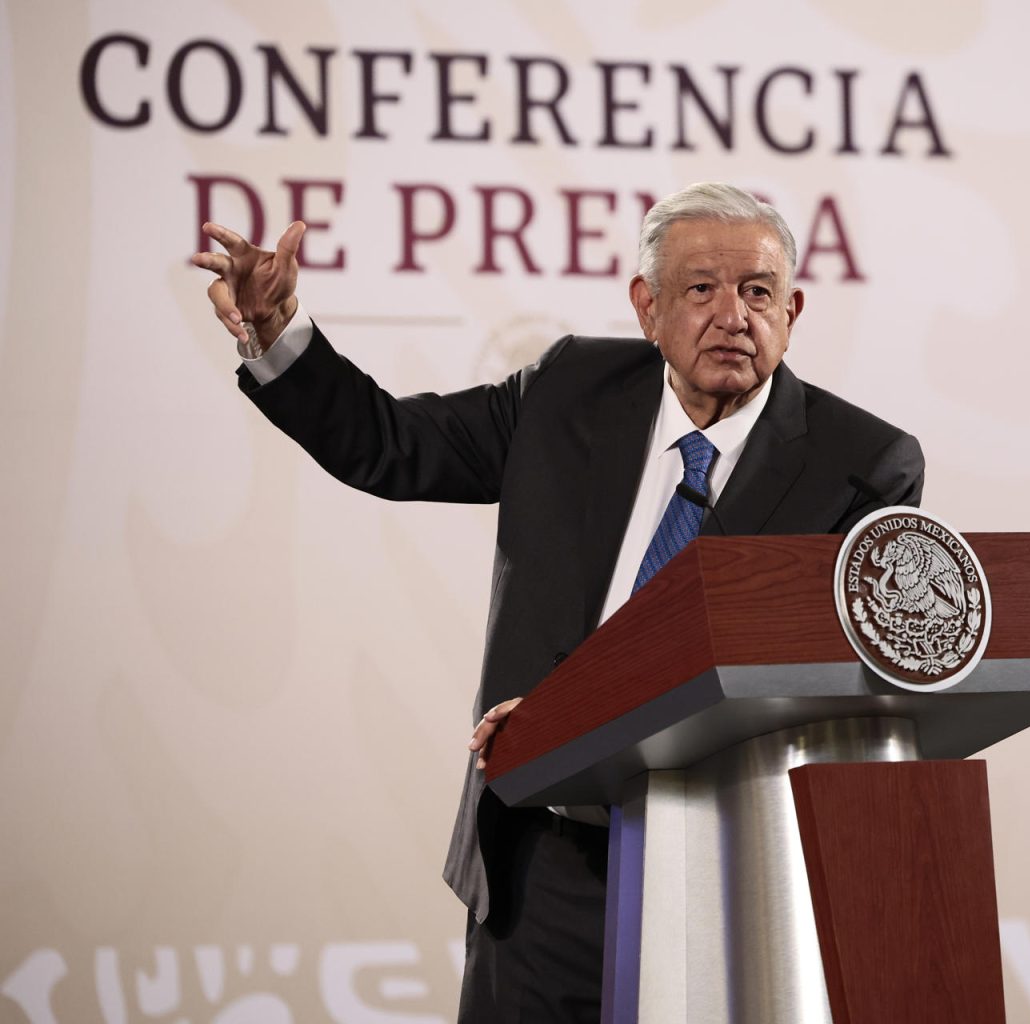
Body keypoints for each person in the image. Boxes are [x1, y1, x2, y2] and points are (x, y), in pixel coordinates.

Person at [194, 183, 924, 1023]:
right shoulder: (568, 390)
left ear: (792, 310)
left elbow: (830, 683)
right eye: (700, 289)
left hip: (729, 875)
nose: (733, 314)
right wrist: (280, 335)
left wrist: (587, 716)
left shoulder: (863, 466)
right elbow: (392, 447)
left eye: (757, 291)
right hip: (542, 864)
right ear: (646, 307)